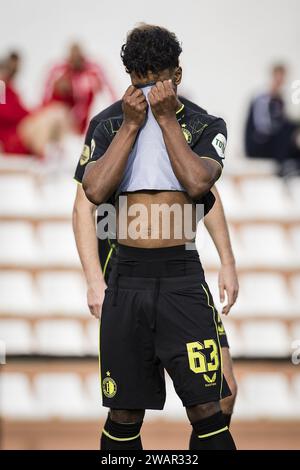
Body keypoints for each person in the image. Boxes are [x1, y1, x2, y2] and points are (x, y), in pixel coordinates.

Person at [80, 24, 237, 450]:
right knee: (124, 412)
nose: (147, 90)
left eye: (158, 79)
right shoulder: (109, 123)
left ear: (177, 76)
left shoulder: (205, 123)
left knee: (211, 407)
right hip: (126, 275)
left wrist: (165, 118)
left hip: (181, 278)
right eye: (138, 80)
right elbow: (93, 193)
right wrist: (131, 127)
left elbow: (199, 184)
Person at [44, 43, 117, 134]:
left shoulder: (92, 69)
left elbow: (108, 86)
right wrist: (44, 106)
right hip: (67, 114)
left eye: (78, 58)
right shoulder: (61, 70)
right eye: (73, 59)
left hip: (87, 113)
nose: (75, 62)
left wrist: (115, 108)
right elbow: (47, 88)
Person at [245, 64, 300, 176]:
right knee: (287, 130)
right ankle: (284, 166)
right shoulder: (262, 99)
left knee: (291, 129)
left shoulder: (280, 99)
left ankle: (292, 165)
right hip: (258, 144)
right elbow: (264, 127)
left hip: (272, 142)